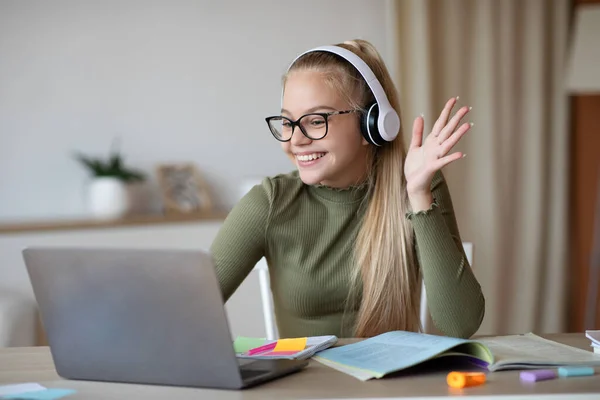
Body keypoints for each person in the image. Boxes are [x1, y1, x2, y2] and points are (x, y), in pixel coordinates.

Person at [210, 39, 484, 339]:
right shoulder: (270, 202)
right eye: (287, 122)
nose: (295, 140)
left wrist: (419, 196)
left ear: (372, 125)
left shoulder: (418, 185)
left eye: (315, 121)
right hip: (306, 386)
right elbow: (188, 309)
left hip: (391, 384)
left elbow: (460, 324)